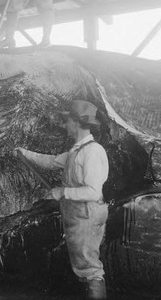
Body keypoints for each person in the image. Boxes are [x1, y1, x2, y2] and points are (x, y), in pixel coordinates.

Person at [13, 100, 109, 300]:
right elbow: (50, 161)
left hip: (87, 214)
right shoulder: (77, 151)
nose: (65, 126)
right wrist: (24, 153)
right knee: (82, 264)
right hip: (79, 215)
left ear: (76, 122)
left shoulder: (93, 151)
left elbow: (93, 191)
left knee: (89, 268)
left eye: (67, 122)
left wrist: (62, 191)